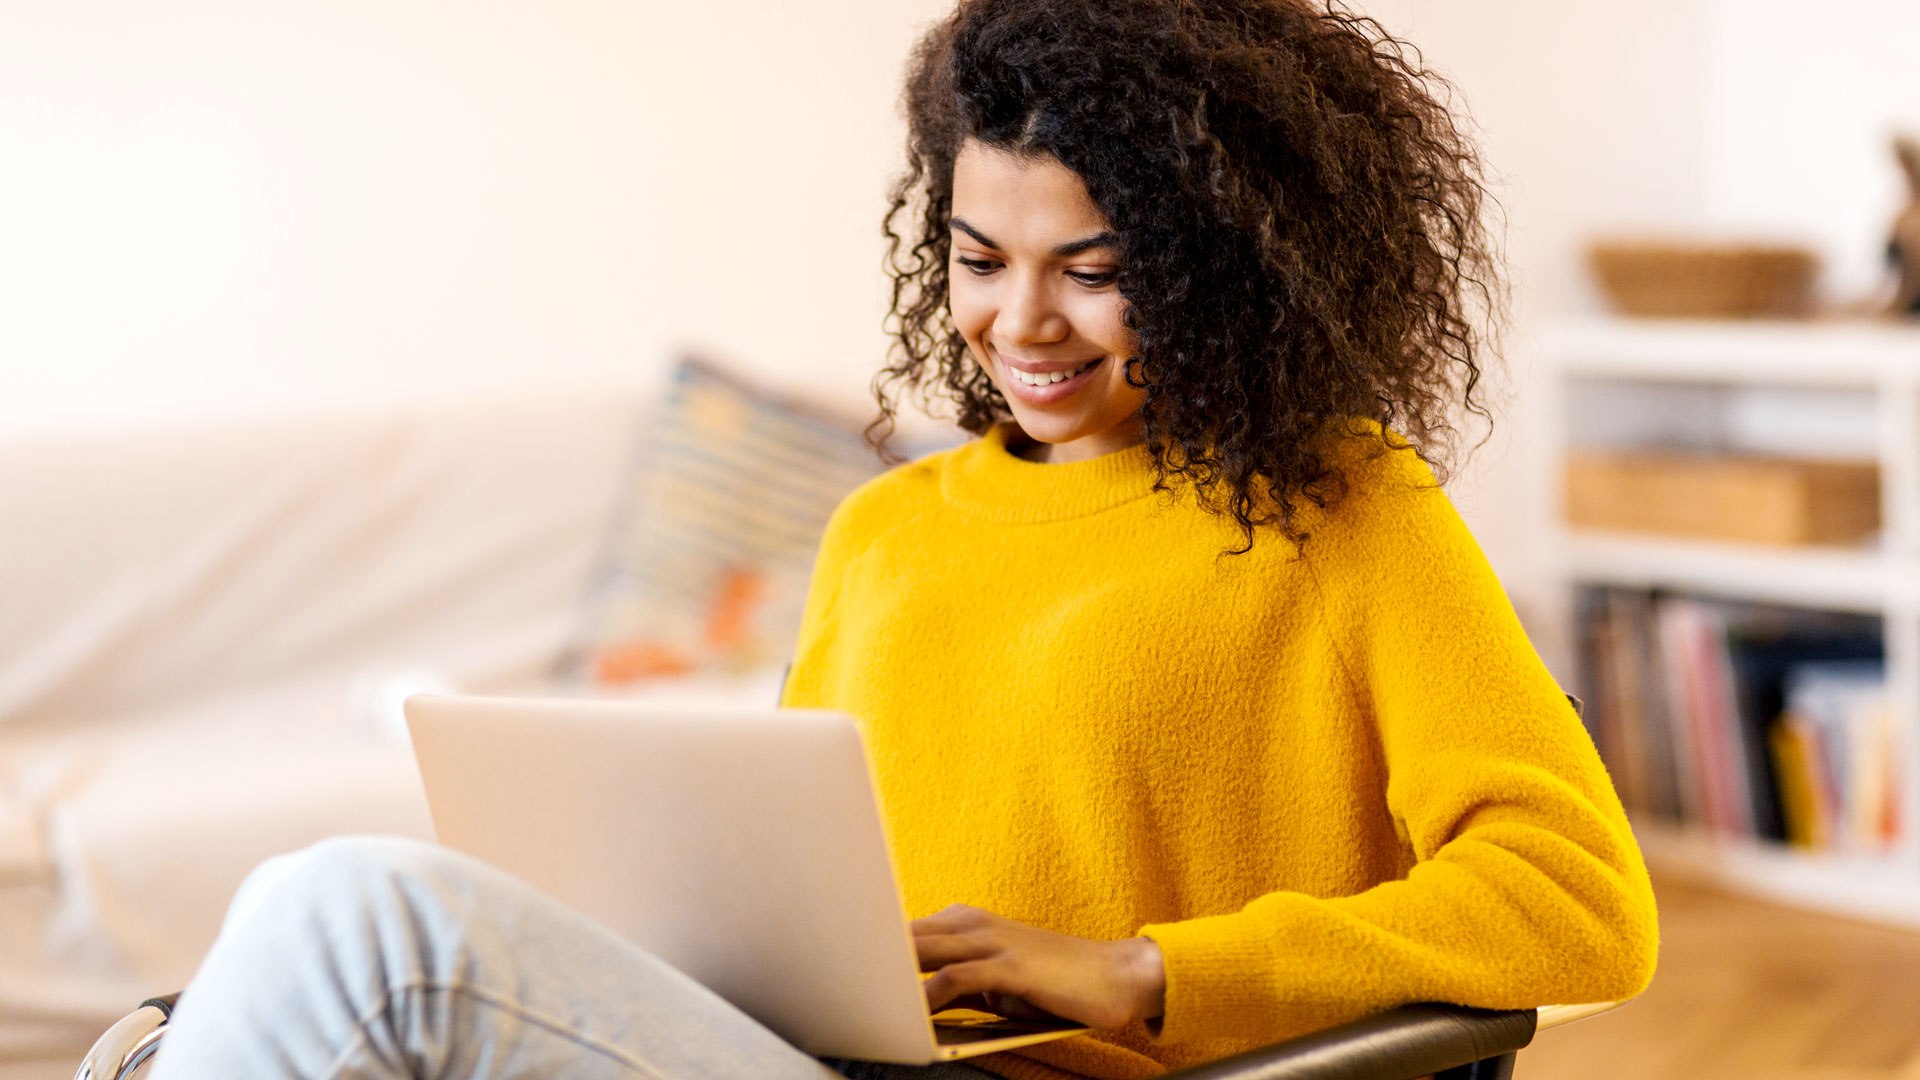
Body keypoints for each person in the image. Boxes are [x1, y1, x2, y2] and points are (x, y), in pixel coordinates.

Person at [148, 1, 1659, 1078]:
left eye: (1095, 269)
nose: (1023, 324)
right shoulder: (885, 529)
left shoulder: (1341, 505)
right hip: (827, 1061)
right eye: (978, 260)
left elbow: (1582, 905)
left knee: (350, 922)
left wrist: (1145, 974)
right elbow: (787, 879)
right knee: (345, 939)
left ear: (1225, 269)